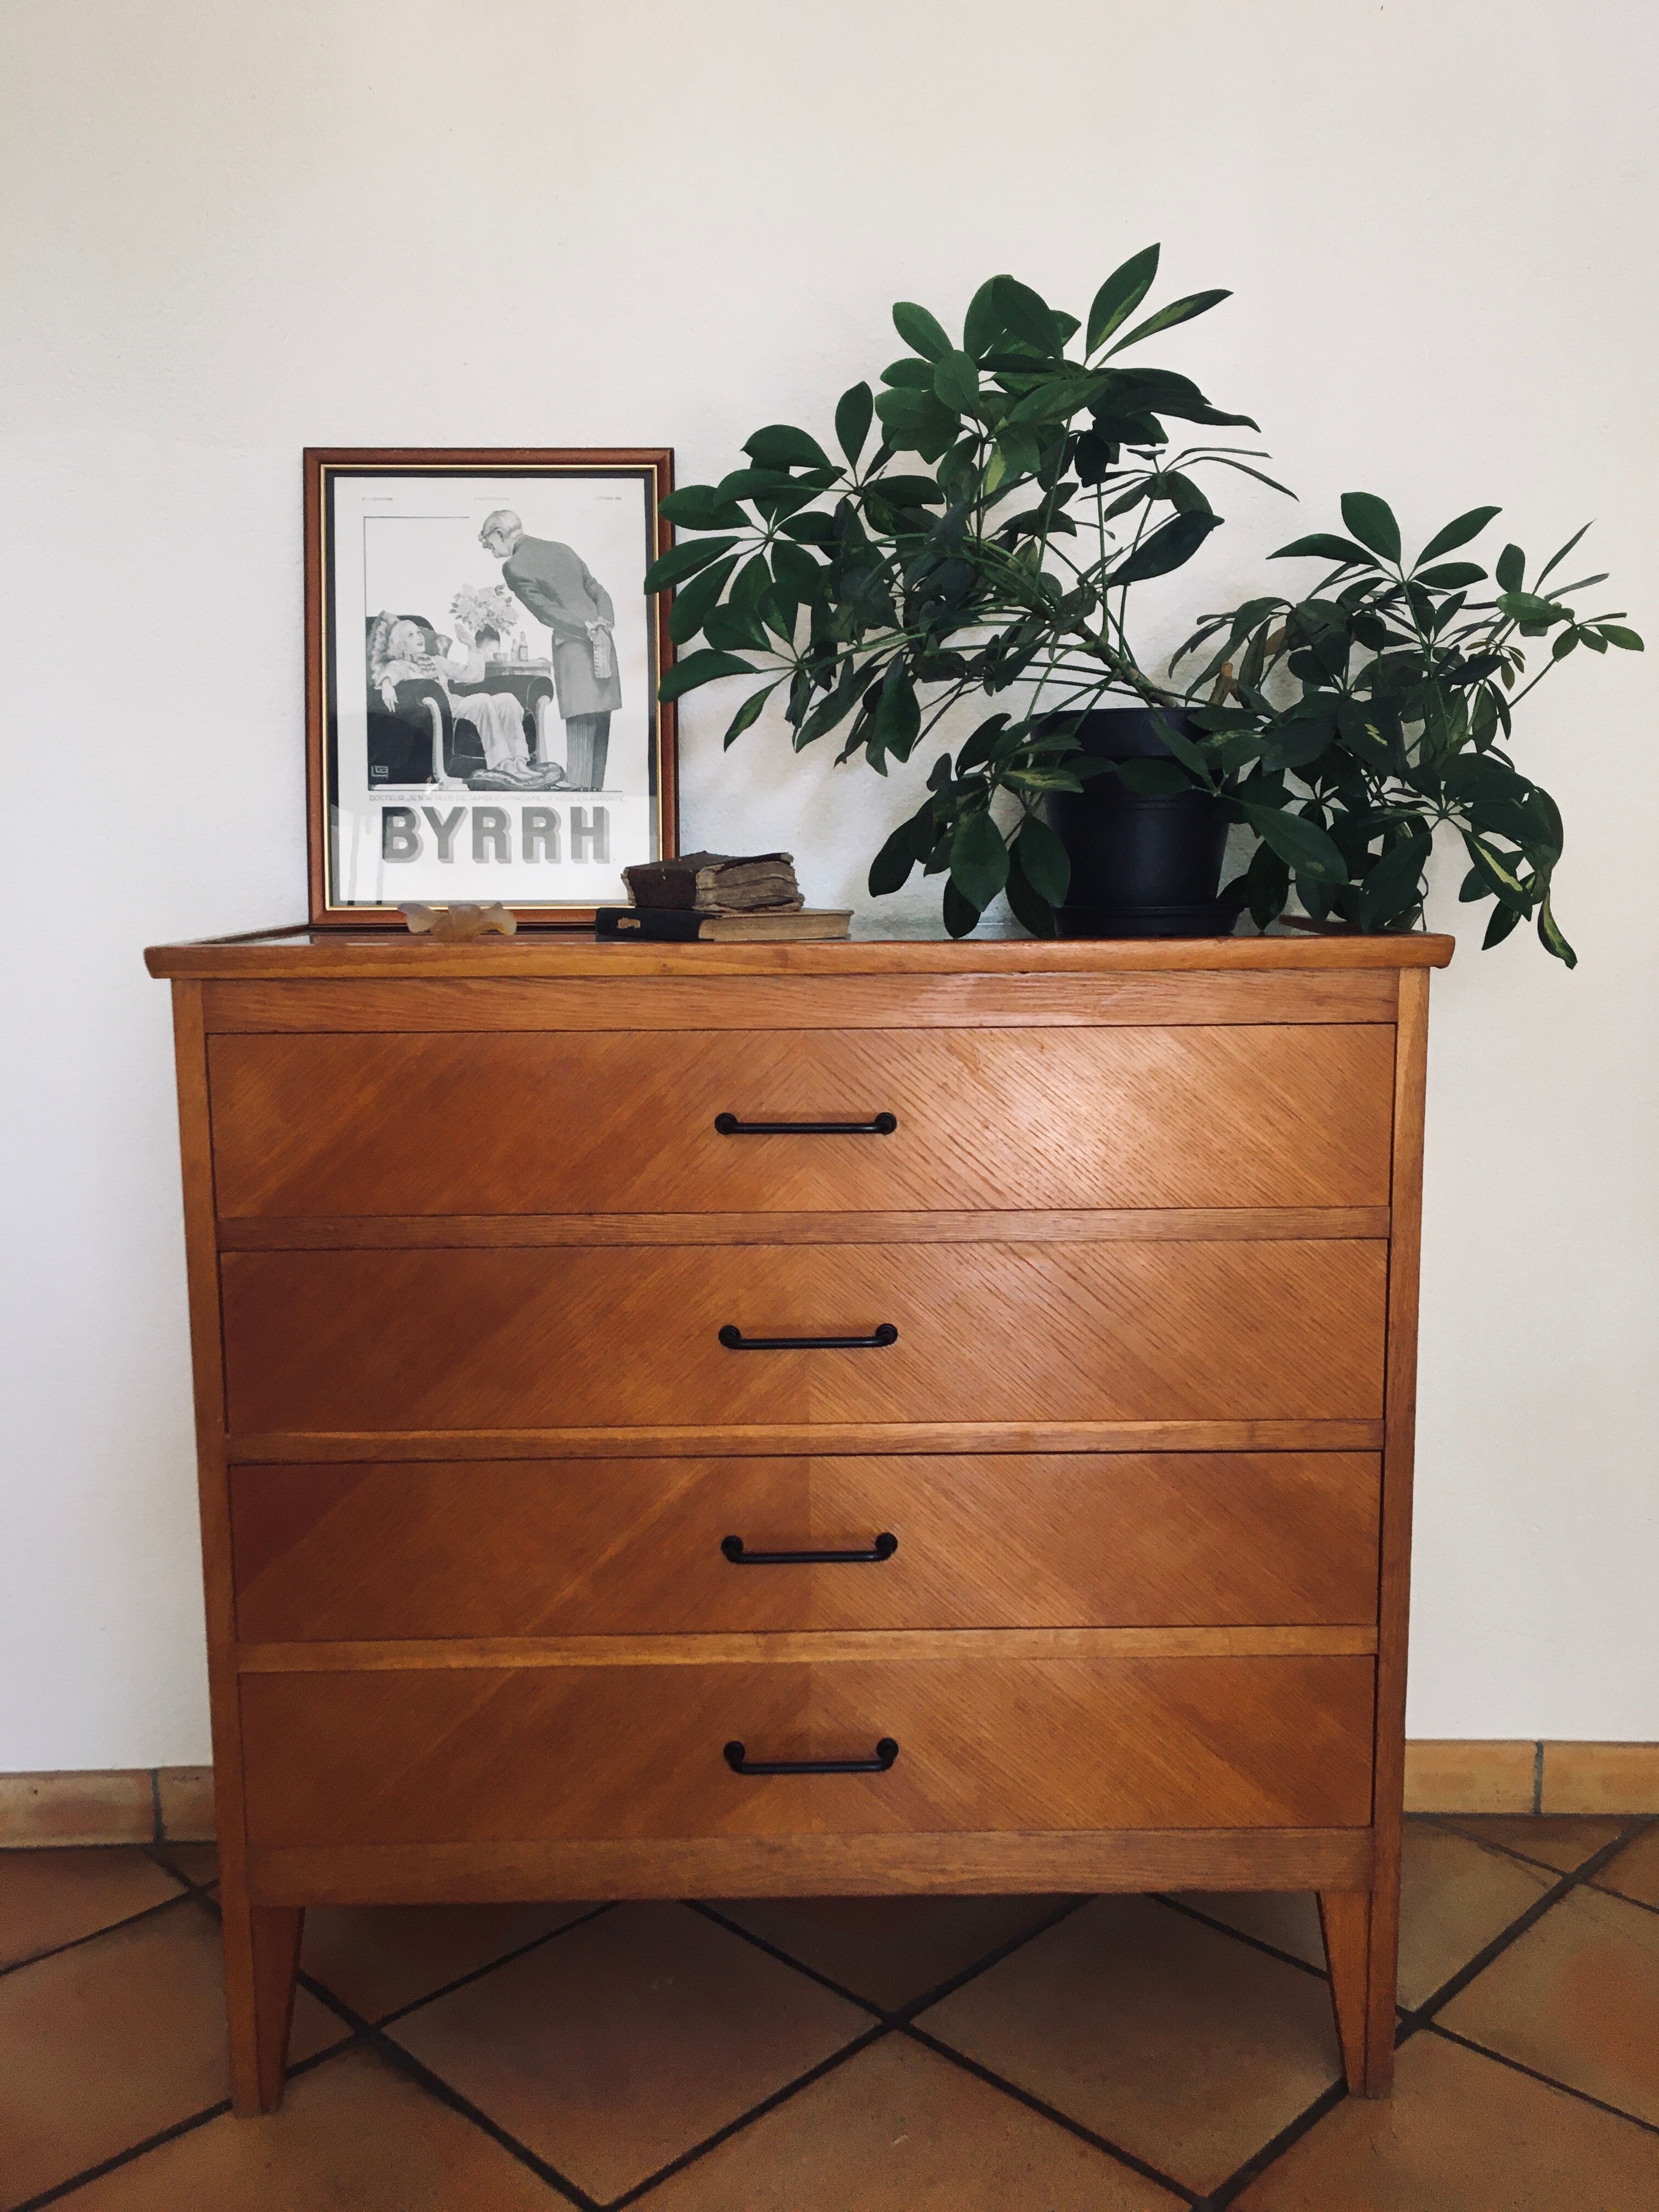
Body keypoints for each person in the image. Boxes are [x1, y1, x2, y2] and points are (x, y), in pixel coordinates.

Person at [479, 509, 620, 788]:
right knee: (601, 719)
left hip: (574, 646)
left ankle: (581, 793)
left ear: (500, 533)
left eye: (490, 543)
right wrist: (603, 621)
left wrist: (585, 627)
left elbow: (545, 611)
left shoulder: (515, 566)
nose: (491, 550)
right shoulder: (562, 549)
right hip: (604, 640)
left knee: (581, 720)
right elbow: (596, 588)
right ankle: (596, 795)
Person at [368, 612, 539, 784]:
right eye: (410, 635)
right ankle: (502, 765)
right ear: (401, 645)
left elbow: (472, 676)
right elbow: (389, 673)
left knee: (507, 699)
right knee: (483, 701)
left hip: (457, 703)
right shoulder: (400, 665)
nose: (419, 637)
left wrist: (472, 646)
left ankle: (520, 762)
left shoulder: (436, 661)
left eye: (418, 632)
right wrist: (387, 685)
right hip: (445, 711)